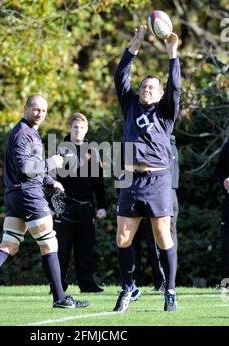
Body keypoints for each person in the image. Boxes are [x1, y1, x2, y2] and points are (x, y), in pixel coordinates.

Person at [0, 94, 89, 310]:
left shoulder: (30, 132)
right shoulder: (24, 134)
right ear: (25, 109)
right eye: (35, 109)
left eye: (43, 110)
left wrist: (50, 181)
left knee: (9, 244)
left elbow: (32, 167)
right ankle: (60, 298)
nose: (40, 113)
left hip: (16, 195)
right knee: (49, 243)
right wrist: (52, 162)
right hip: (28, 195)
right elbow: (26, 168)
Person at [113, 25, 181, 312]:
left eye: (151, 87)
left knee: (163, 235)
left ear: (160, 93)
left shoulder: (166, 113)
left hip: (157, 179)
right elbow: (120, 76)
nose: (145, 89)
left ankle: (170, 291)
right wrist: (134, 47)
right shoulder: (129, 104)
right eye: (143, 86)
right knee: (122, 237)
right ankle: (129, 287)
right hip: (130, 179)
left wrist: (172, 55)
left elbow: (176, 87)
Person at [54, 112, 107, 293]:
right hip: (65, 207)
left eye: (82, 128)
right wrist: (53, 206)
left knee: (85, 249)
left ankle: (87, 284)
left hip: (86, 207)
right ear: (69, 128)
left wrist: (102, 206)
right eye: (75, 127)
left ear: (86, 130)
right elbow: (52, 178)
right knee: (62, 249)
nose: (78, 130)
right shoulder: (60, 148)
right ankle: (59, 285)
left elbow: (98, 181)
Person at [133, 135, 179, 291]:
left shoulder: (166, 144)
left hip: (164, 193)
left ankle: (167, 282)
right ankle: (161, 281)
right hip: (148, 191)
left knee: (166, 238)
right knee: (155, 238)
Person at [215, 139, 229, 287]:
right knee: (227, 243)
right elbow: (218, 171)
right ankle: (226, 282)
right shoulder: (228, 145)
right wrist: (223, 180)